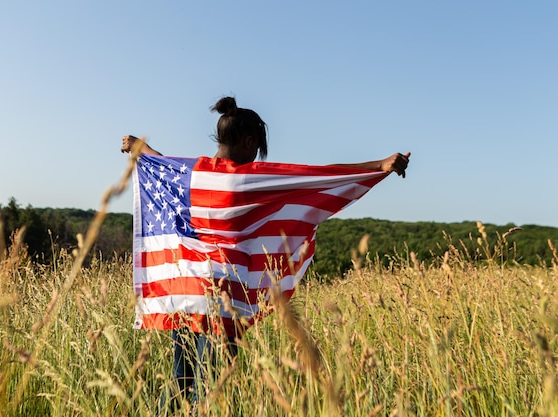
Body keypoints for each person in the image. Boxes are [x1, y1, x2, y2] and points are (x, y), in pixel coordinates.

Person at [121, 96, 410, 410]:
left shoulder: (195, 174)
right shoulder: (249, 179)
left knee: (180, 381)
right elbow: (317, 177)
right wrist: (379, 166)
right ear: (248, 142)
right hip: (223, 299)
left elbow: (163, 164)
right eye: (258, 147)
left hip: (184, 294)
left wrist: (140, 148)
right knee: (211, 386)